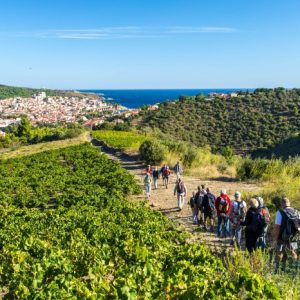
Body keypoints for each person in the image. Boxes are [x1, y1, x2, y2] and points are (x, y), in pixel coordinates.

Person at [273, 197, 300, 271]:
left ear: (282, 204)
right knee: (293, 251)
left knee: (279, 252)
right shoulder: (296, 212)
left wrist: (275, 238)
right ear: (289, 203)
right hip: (293, 235)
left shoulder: (280, 212)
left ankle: (277, 270)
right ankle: (295, 267)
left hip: (282, 236)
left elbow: (277, 227)